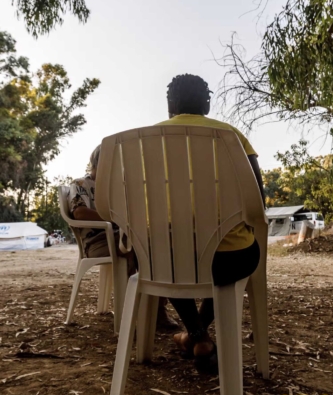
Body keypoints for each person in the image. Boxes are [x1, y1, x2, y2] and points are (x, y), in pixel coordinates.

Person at [156, 73, 265, 372]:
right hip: (231, 259)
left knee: (170, 262)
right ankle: (198, 336)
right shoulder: (231, 135)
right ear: (206, 103)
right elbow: (258, 200)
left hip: (166, 261)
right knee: (234, 258)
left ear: (170, 104)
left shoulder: (144, 141)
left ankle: (196, 335)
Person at [68, 144, 178, 329]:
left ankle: (154, 307)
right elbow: (79, 213)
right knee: (141, 246)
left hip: (126, 236)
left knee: (160, 245)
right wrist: (119, 220)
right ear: (97, 163)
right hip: (98, 241)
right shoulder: (81, 184)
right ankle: (143, 311)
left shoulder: (121, 187)